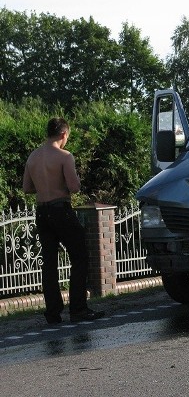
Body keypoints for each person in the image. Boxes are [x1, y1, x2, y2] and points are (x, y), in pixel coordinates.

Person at [22, 117, 104, 324]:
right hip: (61, 209)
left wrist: (44, 185)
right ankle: (78, 309)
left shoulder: (33, 157)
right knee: (79, 256)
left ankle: (52, 313)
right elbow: (74, 186)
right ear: (63, 134)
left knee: (49, 263)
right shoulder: (64, 156)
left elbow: (27, 188)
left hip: (42, 212)